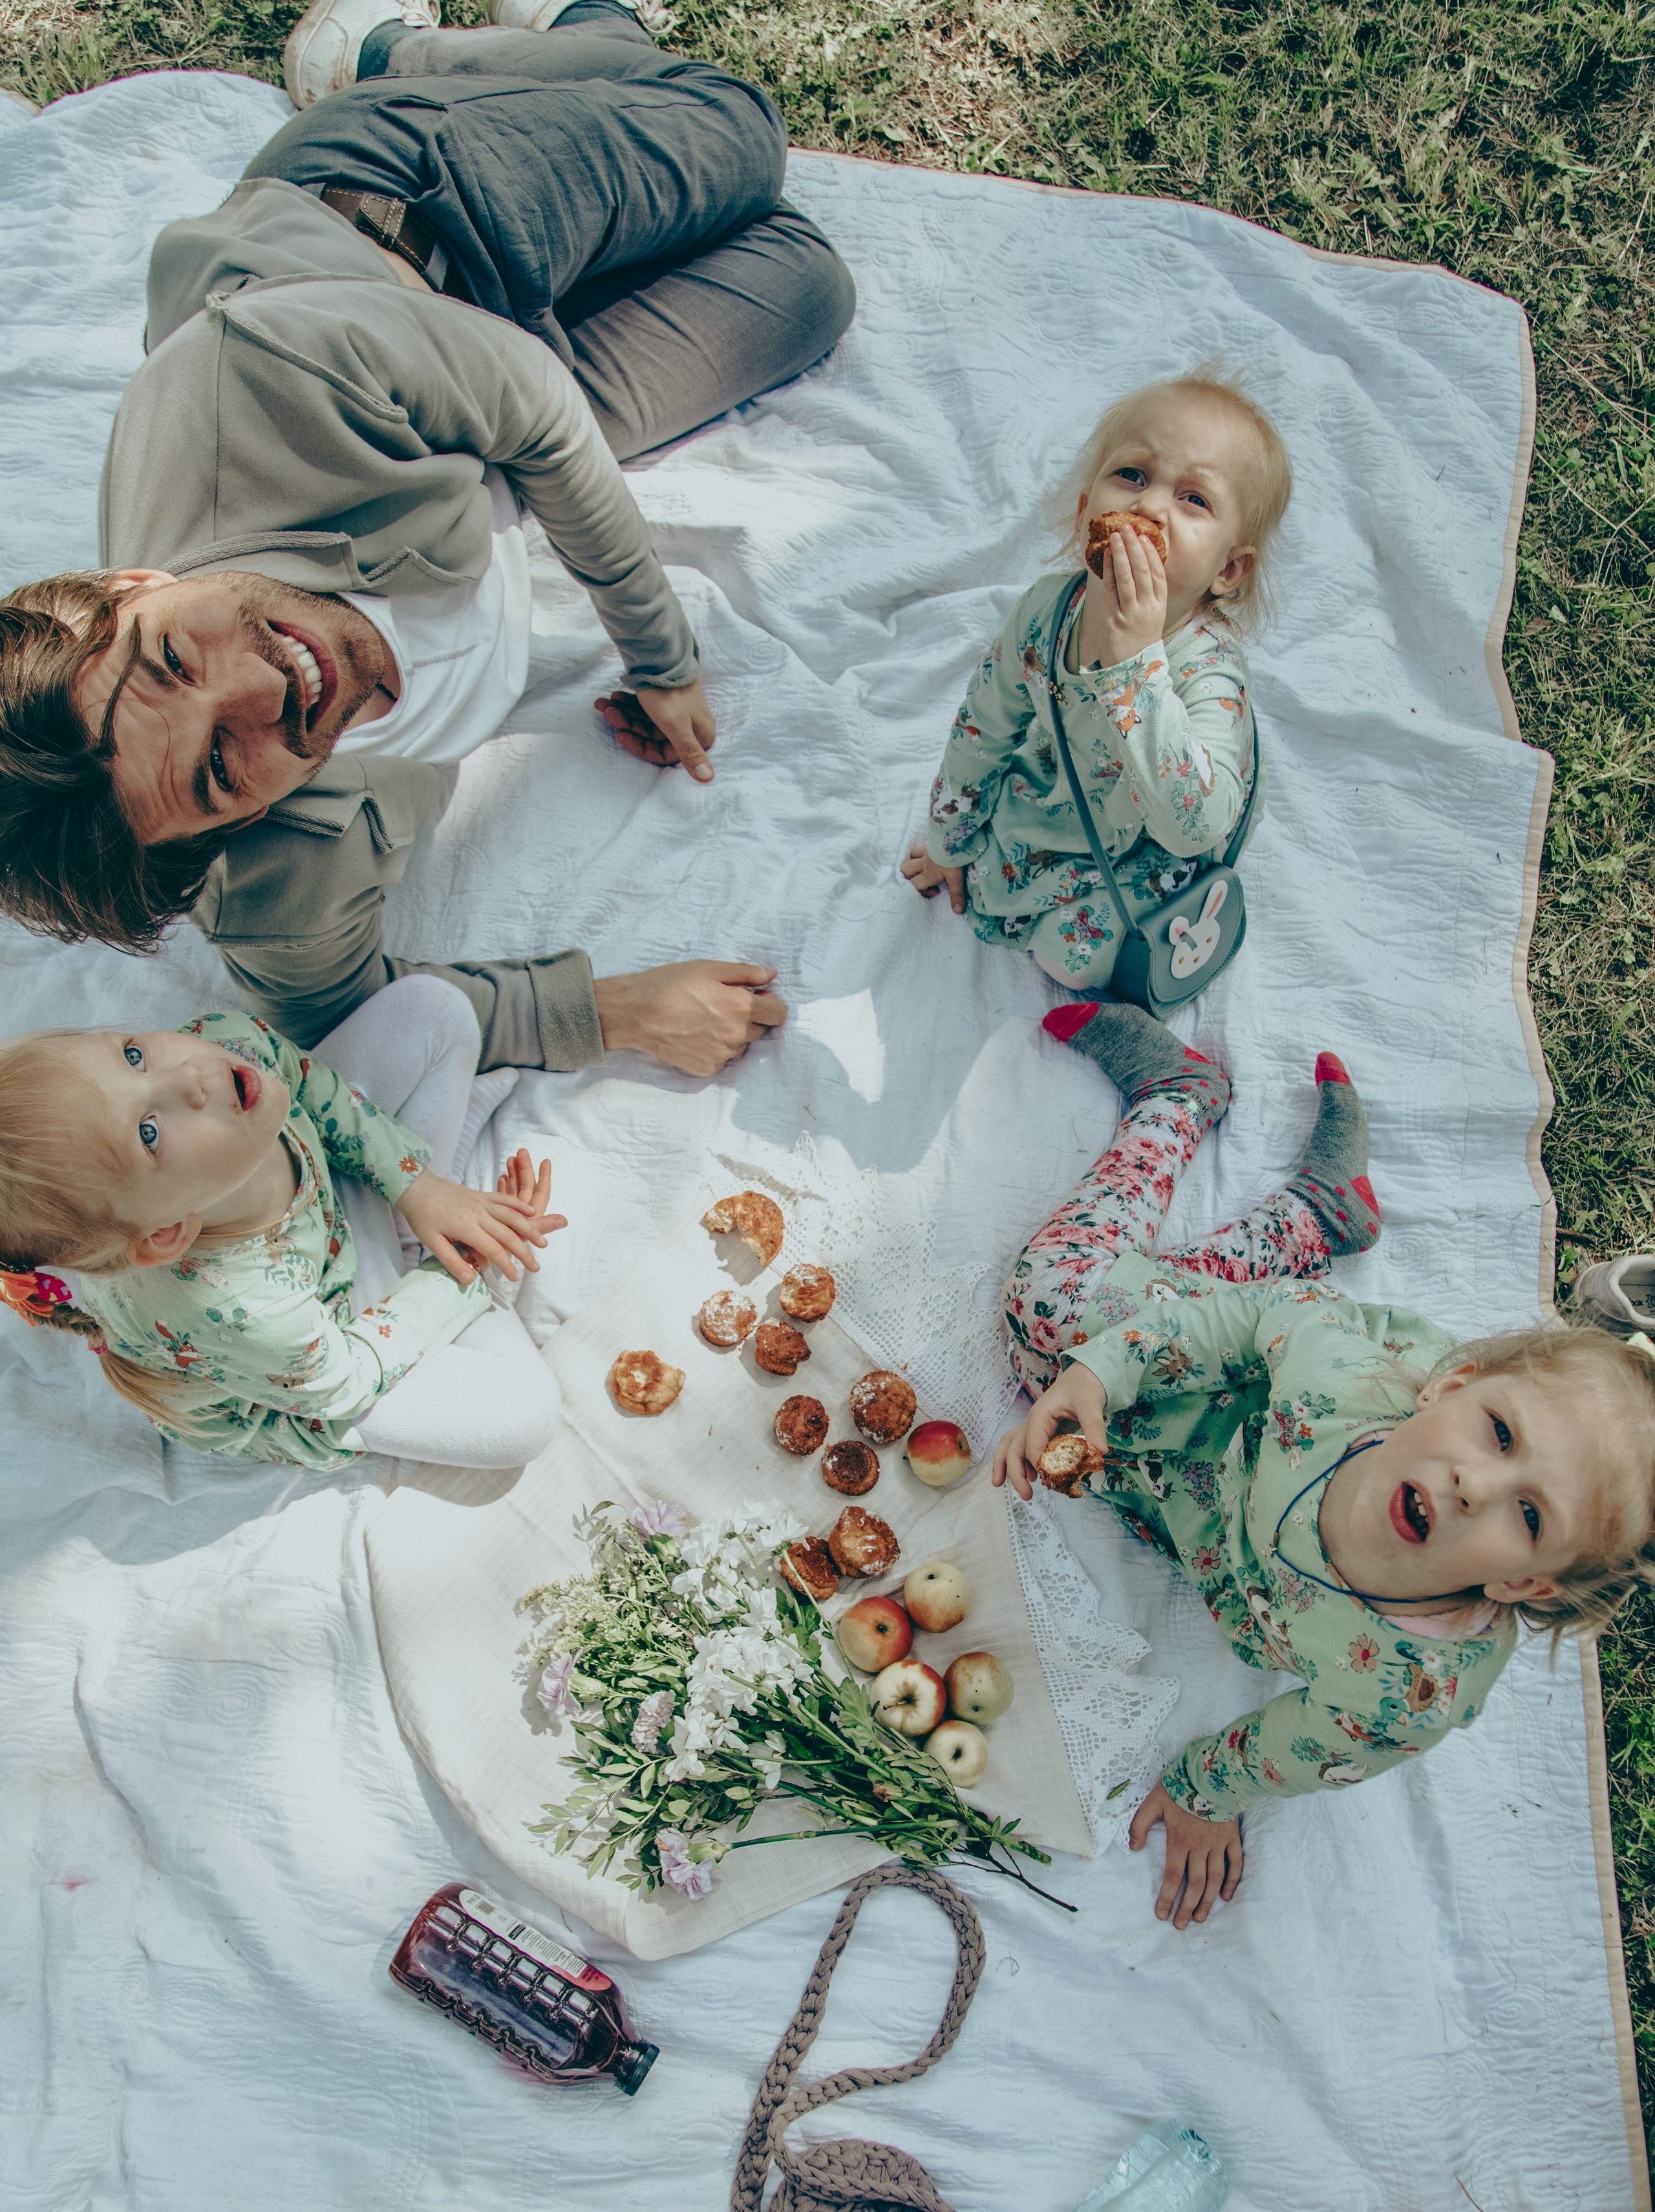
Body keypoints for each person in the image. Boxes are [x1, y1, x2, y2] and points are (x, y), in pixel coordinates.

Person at [0, 0, 857, 1077]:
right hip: (471, 437)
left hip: (414, 214)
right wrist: (610, 1010)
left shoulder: (253, 373)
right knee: (809, 284)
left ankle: (401, 60)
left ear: (131, 585)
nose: (263, 690)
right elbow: (340, 1013)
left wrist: (660, 653)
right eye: (220, 769)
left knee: (738, 128)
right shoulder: (274, 891)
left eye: (174, 656)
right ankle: (585, 68)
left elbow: (539, 410)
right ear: (224, 837)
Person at [992, 998, 1655, 1927]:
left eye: (1530, 1514)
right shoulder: (1351, 1373)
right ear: (1450, 1383)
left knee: (1047, 1395)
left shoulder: (1411, 1688)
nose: (1477, 1483)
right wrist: (1107, 1369)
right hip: (1235, 1381)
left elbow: (1293, 1742)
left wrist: (1201, 1791)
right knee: (1048, 1308)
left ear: (1528, 1582)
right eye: (1498, 1435)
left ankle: (1313, 1215)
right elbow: (1251, 1321)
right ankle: (1181, 1109)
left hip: (1192, 1514)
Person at [0, 977, 569, 1470]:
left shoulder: (222, 1048)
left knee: (436, 1007)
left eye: (131, 1055)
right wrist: (466, 1262)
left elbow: (309, 1083)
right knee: (526, 1416)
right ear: (168, 1231)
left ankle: (414, 1220)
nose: (188, 1076)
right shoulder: (240, 1308)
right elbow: (345, 1376)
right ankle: (425, 1251)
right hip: (315, 1351)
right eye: (148, 1132)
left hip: (323, 1230)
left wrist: (419, 1187)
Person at [901, 371, 1290, 987]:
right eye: (1132, 475)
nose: (1150, 505)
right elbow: (984, 722)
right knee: (983, 870)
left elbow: (1194, 825)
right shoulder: (1049, 613)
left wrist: (1136, 663)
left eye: (1194, 499)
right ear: (1088, 512)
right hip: (1071, 783)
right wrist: (949, 835)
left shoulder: (1210, 671)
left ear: (1228, 569)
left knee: (1072, 960)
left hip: (1159, 834)